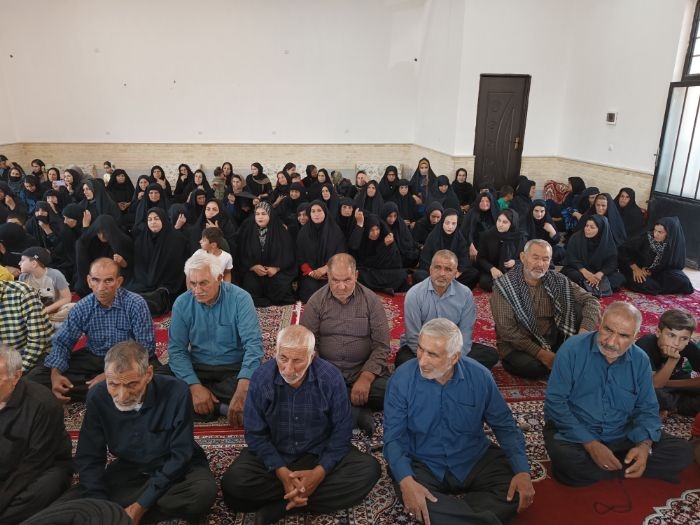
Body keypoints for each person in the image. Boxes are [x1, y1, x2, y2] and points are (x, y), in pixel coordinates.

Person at [220, 325, 381, 524]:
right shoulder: (262, 378)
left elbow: (341, 432)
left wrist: (319, 473)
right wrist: (281, 471)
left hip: (318, 453)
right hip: (276, 454)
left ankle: (282, 506)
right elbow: (255, 434)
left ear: (311, 357)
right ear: (276, 353)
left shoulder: (330, 378)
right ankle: (303, 495)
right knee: (233, 485)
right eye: (283, 358)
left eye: (297, 361)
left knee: (368, 470)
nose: (288, 369)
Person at [384, 318, 535, 525]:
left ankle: (455, 517)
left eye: (432, 354)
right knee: (415, 496)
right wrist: (406, 481)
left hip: (472, 458)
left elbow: (505, 426)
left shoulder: (480, 377)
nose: (422, 361)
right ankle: (478, 517)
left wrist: (523, 471)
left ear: (454, 357)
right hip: (425, 462)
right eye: (420, 349)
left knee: (515, 489)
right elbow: (393, 437)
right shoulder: (401, 380)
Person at [544, 302, 694, 486]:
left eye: (623, 336)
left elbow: (647, 408)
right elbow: (555, 403)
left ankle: (605, 468)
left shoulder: (640, 360)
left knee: (682, 452)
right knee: (566, 458)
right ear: (600, 323)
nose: (611, 342)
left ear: (635, 337)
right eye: (608, 330)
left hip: (622, 434)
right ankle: (625, 466)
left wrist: (644, 446)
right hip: (578, 434)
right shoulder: (572, 350)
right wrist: (591, 444)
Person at [70, 341, 217, 524]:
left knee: (202, 493)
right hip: (131, 469)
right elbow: (89, 457)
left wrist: (140, 506)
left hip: (176, 470)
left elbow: (180, 455)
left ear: (148, 374)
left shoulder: (176, 391)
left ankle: (131, 509)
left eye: (131, 384)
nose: (122, 396)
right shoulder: (98, 396)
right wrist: (100, 507)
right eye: (113, 384)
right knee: (73, 502)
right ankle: (130, 509)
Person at [25, 258, 155, 402]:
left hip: (128, 360)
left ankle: (102, 389)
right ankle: (105, 391)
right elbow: (62, 342)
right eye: (96, 280)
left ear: (119, 282)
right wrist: (55, 375)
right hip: (94, 357)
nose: (101, 287)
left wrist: (109, 375)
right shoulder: (83, 307)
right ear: (89, 281)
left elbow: (145, 348)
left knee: (156, 378)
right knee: (36, 377)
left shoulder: (135, 304)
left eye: (108, 281)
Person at [167, 251, 263, 424]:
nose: (197, 290)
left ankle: (203, 405)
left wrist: (242, 390)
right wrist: (194, 386)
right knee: (153, 383)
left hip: (234, 370)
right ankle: (220, 407)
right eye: (192, 283)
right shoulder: (182, 303)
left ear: (219, 278)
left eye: (203, 283)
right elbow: (177, 351)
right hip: (198, 369)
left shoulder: (240, 299)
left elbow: (253, 346)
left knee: (265, 387)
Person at [300, 253, 390, 435]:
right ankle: (357, 412)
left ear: (356, 275)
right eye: (335, 280)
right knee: (300, 388)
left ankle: (339, 407)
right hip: (326, 373)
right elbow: (307, 343)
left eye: (347, 280)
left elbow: (382, 346)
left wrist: (366, 378)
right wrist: (325, 377)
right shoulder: (316, 301)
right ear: (328, 277)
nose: (341, 286)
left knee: (392, 391)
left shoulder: (371, 301)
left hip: (361, 371)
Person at [490, 239, 600, 379]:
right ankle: (565, 362)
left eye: (545, 259)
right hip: (519, 344)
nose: (540, 264)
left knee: (578, 308)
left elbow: (591, 301)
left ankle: (568, 358)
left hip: (552, 338)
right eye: (535, 258)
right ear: (523, 257)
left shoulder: (557, 279)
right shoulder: (504, 287)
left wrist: (581, 336)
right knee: (534, 368)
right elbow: (508, 331)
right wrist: (542, 355)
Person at [0, 345, 73, 525]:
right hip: (6, 463)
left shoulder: (42, 404)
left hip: (40, 466)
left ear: (16, 376)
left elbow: (35, 463)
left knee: (46, 487)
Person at [397, 249, 499, 370]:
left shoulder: (465, 294)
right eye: (438, 267)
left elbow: (465, 334)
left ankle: (434, 372)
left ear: (455, 273)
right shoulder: (414, 294)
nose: (442, 273)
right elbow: (413, 336)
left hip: (451, 347)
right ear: (430, 269)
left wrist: (453, 358)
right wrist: (433, 358)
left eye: (448, 269)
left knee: (490, 355)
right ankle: (451, 371)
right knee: (403, 361)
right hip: (423, 347)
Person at [636, 309, 700, 417]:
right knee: (645, 393)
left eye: (684, 338)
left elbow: (664, 384)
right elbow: (655, 384)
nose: (676, 343)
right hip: (650, 385)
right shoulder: (644, 344)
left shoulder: (688, 346)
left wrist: (670, 384)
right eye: (671, 335)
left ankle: (670, 407)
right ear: (658, 332)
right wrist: (672, 360)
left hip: (674, 381)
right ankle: (674, 405)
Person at [236, 201, 297, 306]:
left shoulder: (280, 230)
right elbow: (241, 254)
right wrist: (252, 267)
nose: (260, 217)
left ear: (270, 215)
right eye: (257, 214)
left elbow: (288, 255)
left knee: (282, 289)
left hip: (274, 272)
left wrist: (276, 268)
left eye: (264, 214)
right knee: (250, 287)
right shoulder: (247, 230)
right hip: (254, 272)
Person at [618, 216, 694, 295]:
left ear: (669, 233)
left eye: (660, 232)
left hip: (657, 272)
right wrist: (636, 269)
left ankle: (657, 287)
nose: (655, 234)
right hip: (635, 268)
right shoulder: (645, 238)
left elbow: (674, 266)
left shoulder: (673, 243)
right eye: (655, 230)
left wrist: (651, 271)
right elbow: (622, 250)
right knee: (648, 285)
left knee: (684, 282)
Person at [295, 200, 347, 303]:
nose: (316, 214)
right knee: (310, 291)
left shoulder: (335, 231)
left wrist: (325, 268)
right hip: (310, 273)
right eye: (313, 211)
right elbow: (300, 257)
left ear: (325, 212)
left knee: (330, 290)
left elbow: (340, 254)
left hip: (331, 272)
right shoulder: (303, 233)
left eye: (319, 210)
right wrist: (311, 272)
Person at [414, 208, 479, 289]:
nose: (450, 227)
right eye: (447, 223)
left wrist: (455, 274)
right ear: (442, 222)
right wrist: (438, 274)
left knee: (474, 273)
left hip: (452, 273)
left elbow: (464, 259)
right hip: (436, 273)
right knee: (419, 275)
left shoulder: (459, 238)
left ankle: (451, 289)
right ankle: (443, 288)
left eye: (453, 223)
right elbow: (425, 260)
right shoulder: (433, 237)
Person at [561, 215, 625, 296]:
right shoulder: (576, 237)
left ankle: (587, 287)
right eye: (587, 226)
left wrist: (600, 274)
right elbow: (571, 258)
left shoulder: (607, 241)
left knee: (619, 278)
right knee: (572, 275)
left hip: (599, 272)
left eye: (592, 227)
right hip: (580, 270)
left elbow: (611, 263)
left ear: (601, 229)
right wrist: (585, 272)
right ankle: (597, 288)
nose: (587, 229)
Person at [0, 278, 52, 372]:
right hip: (4, 365)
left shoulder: (22, 292)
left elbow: (37, 341)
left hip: (34, 357)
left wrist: (16, 374)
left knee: (27, 380)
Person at [18, 247, 74, 324]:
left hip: (54, 310)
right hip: (33, 312)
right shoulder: (23, 277)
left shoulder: (55, 275)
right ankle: (49, 322)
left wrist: (45, 311)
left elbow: (67, 298)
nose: (19, 263)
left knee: (72, 307)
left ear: (34, 264)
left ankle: (43, 321)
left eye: (22, 260)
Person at [476, 209, 523, 292]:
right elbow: (480, 258)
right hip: (492, 269)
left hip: (512, 270)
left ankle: (505, 287)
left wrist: (515, 262)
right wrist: (492, 269)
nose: (500, 224)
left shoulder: (519, 237)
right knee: (484, 282)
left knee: (523, 280)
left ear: (512, 224)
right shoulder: (487, 235)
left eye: (505, 222)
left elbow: (526, 258)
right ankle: (507, 288)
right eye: (499, 220)